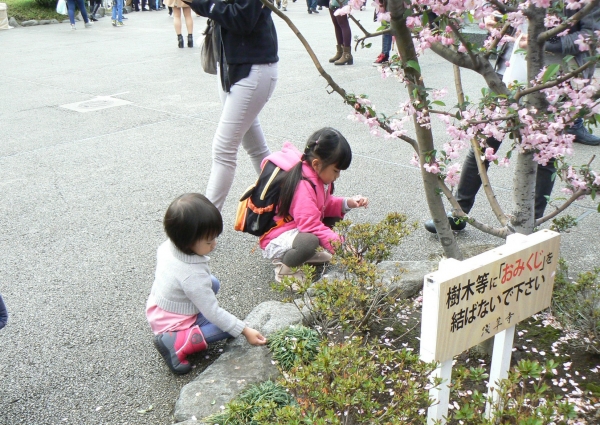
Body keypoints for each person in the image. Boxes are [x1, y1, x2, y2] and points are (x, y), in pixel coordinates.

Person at [424, 7, 600, 234]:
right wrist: (497, 22)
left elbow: (591, 35)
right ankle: (459, 212)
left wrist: (544, 42)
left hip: (557, 79)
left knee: (545, 155)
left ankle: (529, 224)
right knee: (483, 143)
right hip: (508, 71)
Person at [146, 193, 267, 375]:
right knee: (226, 329)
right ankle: (175, 343)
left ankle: (184, 330)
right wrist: (244, 329)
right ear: (187, 242)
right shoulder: (191, 275)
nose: (215, 244)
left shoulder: (168, 246)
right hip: (173, 323)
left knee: (213, 284)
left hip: (161, 308)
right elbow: (213, 312)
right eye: (209, 241)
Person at [186, 0, 279, 212]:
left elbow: (244, 18)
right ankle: (285, 204)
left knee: (223, 150)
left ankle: (205, 227)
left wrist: (204, 5)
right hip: (232, 64)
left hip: (252, 67)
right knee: (255, 147)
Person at [259, 128, 369, 282]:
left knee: (333, 218)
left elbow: (323, 205)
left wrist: (348, 203)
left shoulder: (316, 177)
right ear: (316, 164)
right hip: (277, 235)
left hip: (295, 226)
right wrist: (343, 247)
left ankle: (306, 256)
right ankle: (285, 268)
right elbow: (310, 226)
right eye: (336, 171)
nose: (338, 176)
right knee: (309, 242)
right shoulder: (303, 185)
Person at [328, 0, 353, 65]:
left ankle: (347, 54)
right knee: (336, 24)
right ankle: (340, 51)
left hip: (341, 2)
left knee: (343, 24)